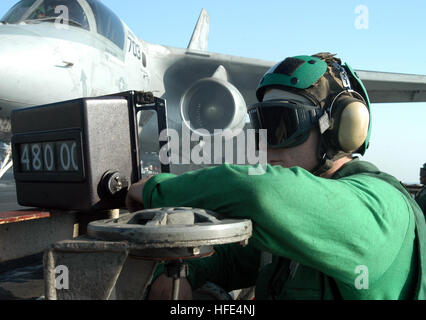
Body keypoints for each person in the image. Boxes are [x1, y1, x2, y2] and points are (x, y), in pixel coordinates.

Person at [126, 53, 426, 300]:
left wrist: (155, 191)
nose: (264, 145)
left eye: (281, 125)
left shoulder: (381, 208)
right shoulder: (295, 217)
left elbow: (259, 191)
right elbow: (234, 258)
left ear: (341, 130)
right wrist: (181, 272)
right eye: (259, 127)